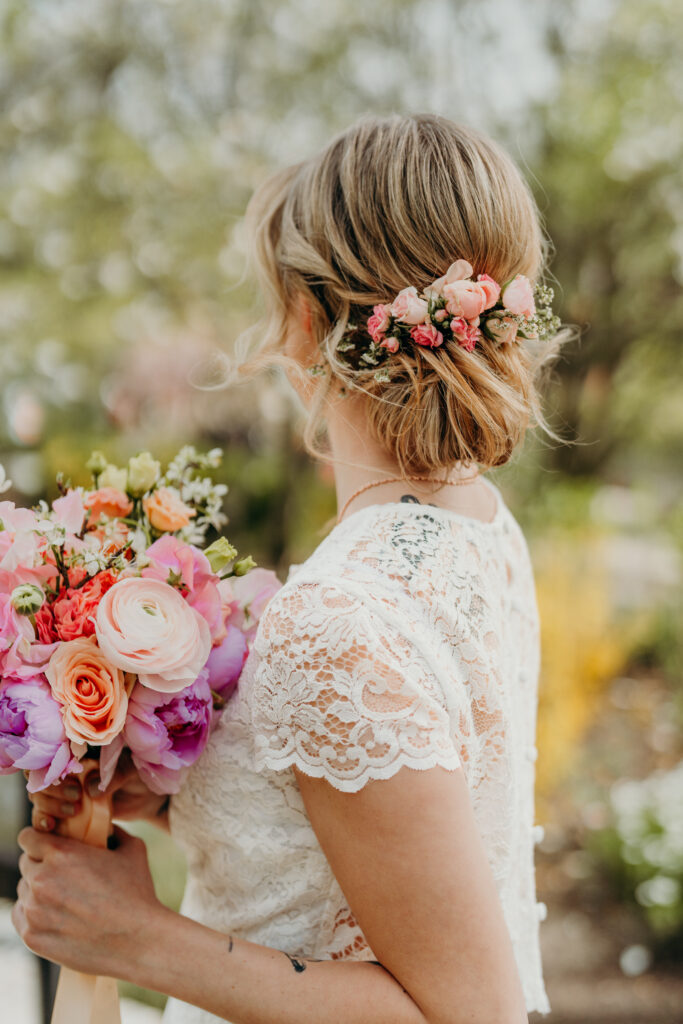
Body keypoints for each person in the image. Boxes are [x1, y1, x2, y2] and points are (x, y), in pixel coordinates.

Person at [14, 113, 561, 1023]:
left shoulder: (338, 617)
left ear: (305, 325)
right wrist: (171, 780)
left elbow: (468, 1013)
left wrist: (135, 939)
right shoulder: (479, 526)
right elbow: (363, 820)